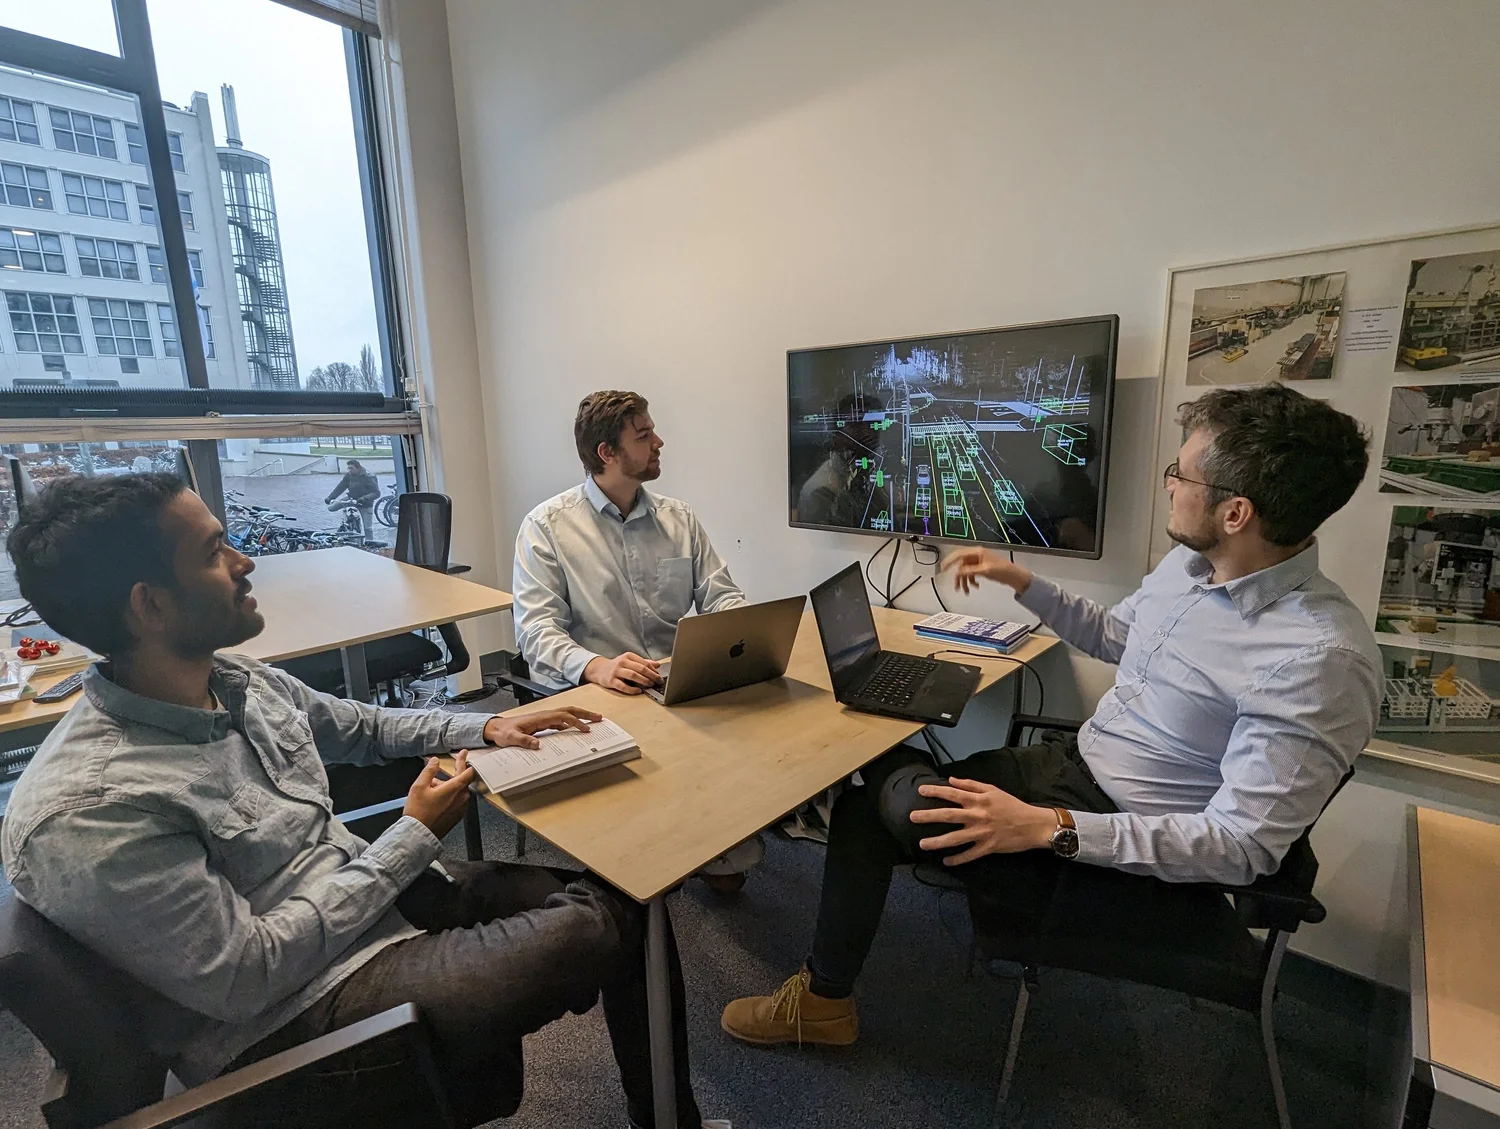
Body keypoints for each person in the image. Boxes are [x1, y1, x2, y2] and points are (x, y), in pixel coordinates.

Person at [2, 473, 728, 1129]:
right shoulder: (92, 808)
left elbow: (364, 726)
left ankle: (667, 1120)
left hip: (362, 903)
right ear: (151, 605)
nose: (245, 562)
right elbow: (247, 974)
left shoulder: (234, 680)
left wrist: (486, 726)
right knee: (603, 923)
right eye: (214, 551)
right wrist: (412, 836)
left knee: (628, 898)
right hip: (296, 1013)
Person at [722, 382, 1381, 1048]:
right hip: (1070, 772)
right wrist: (1021, 581)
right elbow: (1117, 637)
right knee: (876, 781)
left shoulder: (1318, 659)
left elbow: (1240, 849)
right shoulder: (1193, 566)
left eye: (1180, 474)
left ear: (1236, 512)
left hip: (1119, 852)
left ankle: (822, 999)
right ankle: (829, 992)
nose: (1168, 485)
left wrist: (1047, 828)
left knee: (877, 802)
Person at [513, 390, 760, 886]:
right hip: (602, 696)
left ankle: (705, 831)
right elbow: (535, 631)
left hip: (676, 682)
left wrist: (745, 633)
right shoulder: (547, 527)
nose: (659, 442)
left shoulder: (678, 519)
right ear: (607, 453)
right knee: (642, 855)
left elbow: (722, 596)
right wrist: (596, 666)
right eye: (644, 436)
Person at [325, 457, 381, 545]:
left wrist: (364, 499)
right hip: (351, 498)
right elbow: (340, 487)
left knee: (368, 528)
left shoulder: (368, 476)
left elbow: (376, 493)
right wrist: (330, 497)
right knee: (331, 508)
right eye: (348, 468)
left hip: (365, 503)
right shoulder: (349, 476)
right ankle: (347, 526)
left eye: (351, 468)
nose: (349, 470)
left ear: (358, 467)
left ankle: (370, 544)